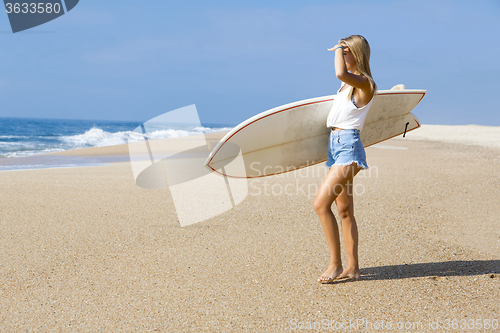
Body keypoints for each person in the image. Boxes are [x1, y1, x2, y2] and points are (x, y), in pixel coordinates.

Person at [314, 35, 376, 283]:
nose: (341, 55)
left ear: (356, 53)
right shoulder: (346, 87)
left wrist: (337, 47)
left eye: (345, 51)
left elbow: (340, 73)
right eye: (341, 51)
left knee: (320, 205)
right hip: (336, 146)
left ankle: (335, 265)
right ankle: (353, 268)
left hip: (349, 148)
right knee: (345, 210)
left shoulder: (365, 84)